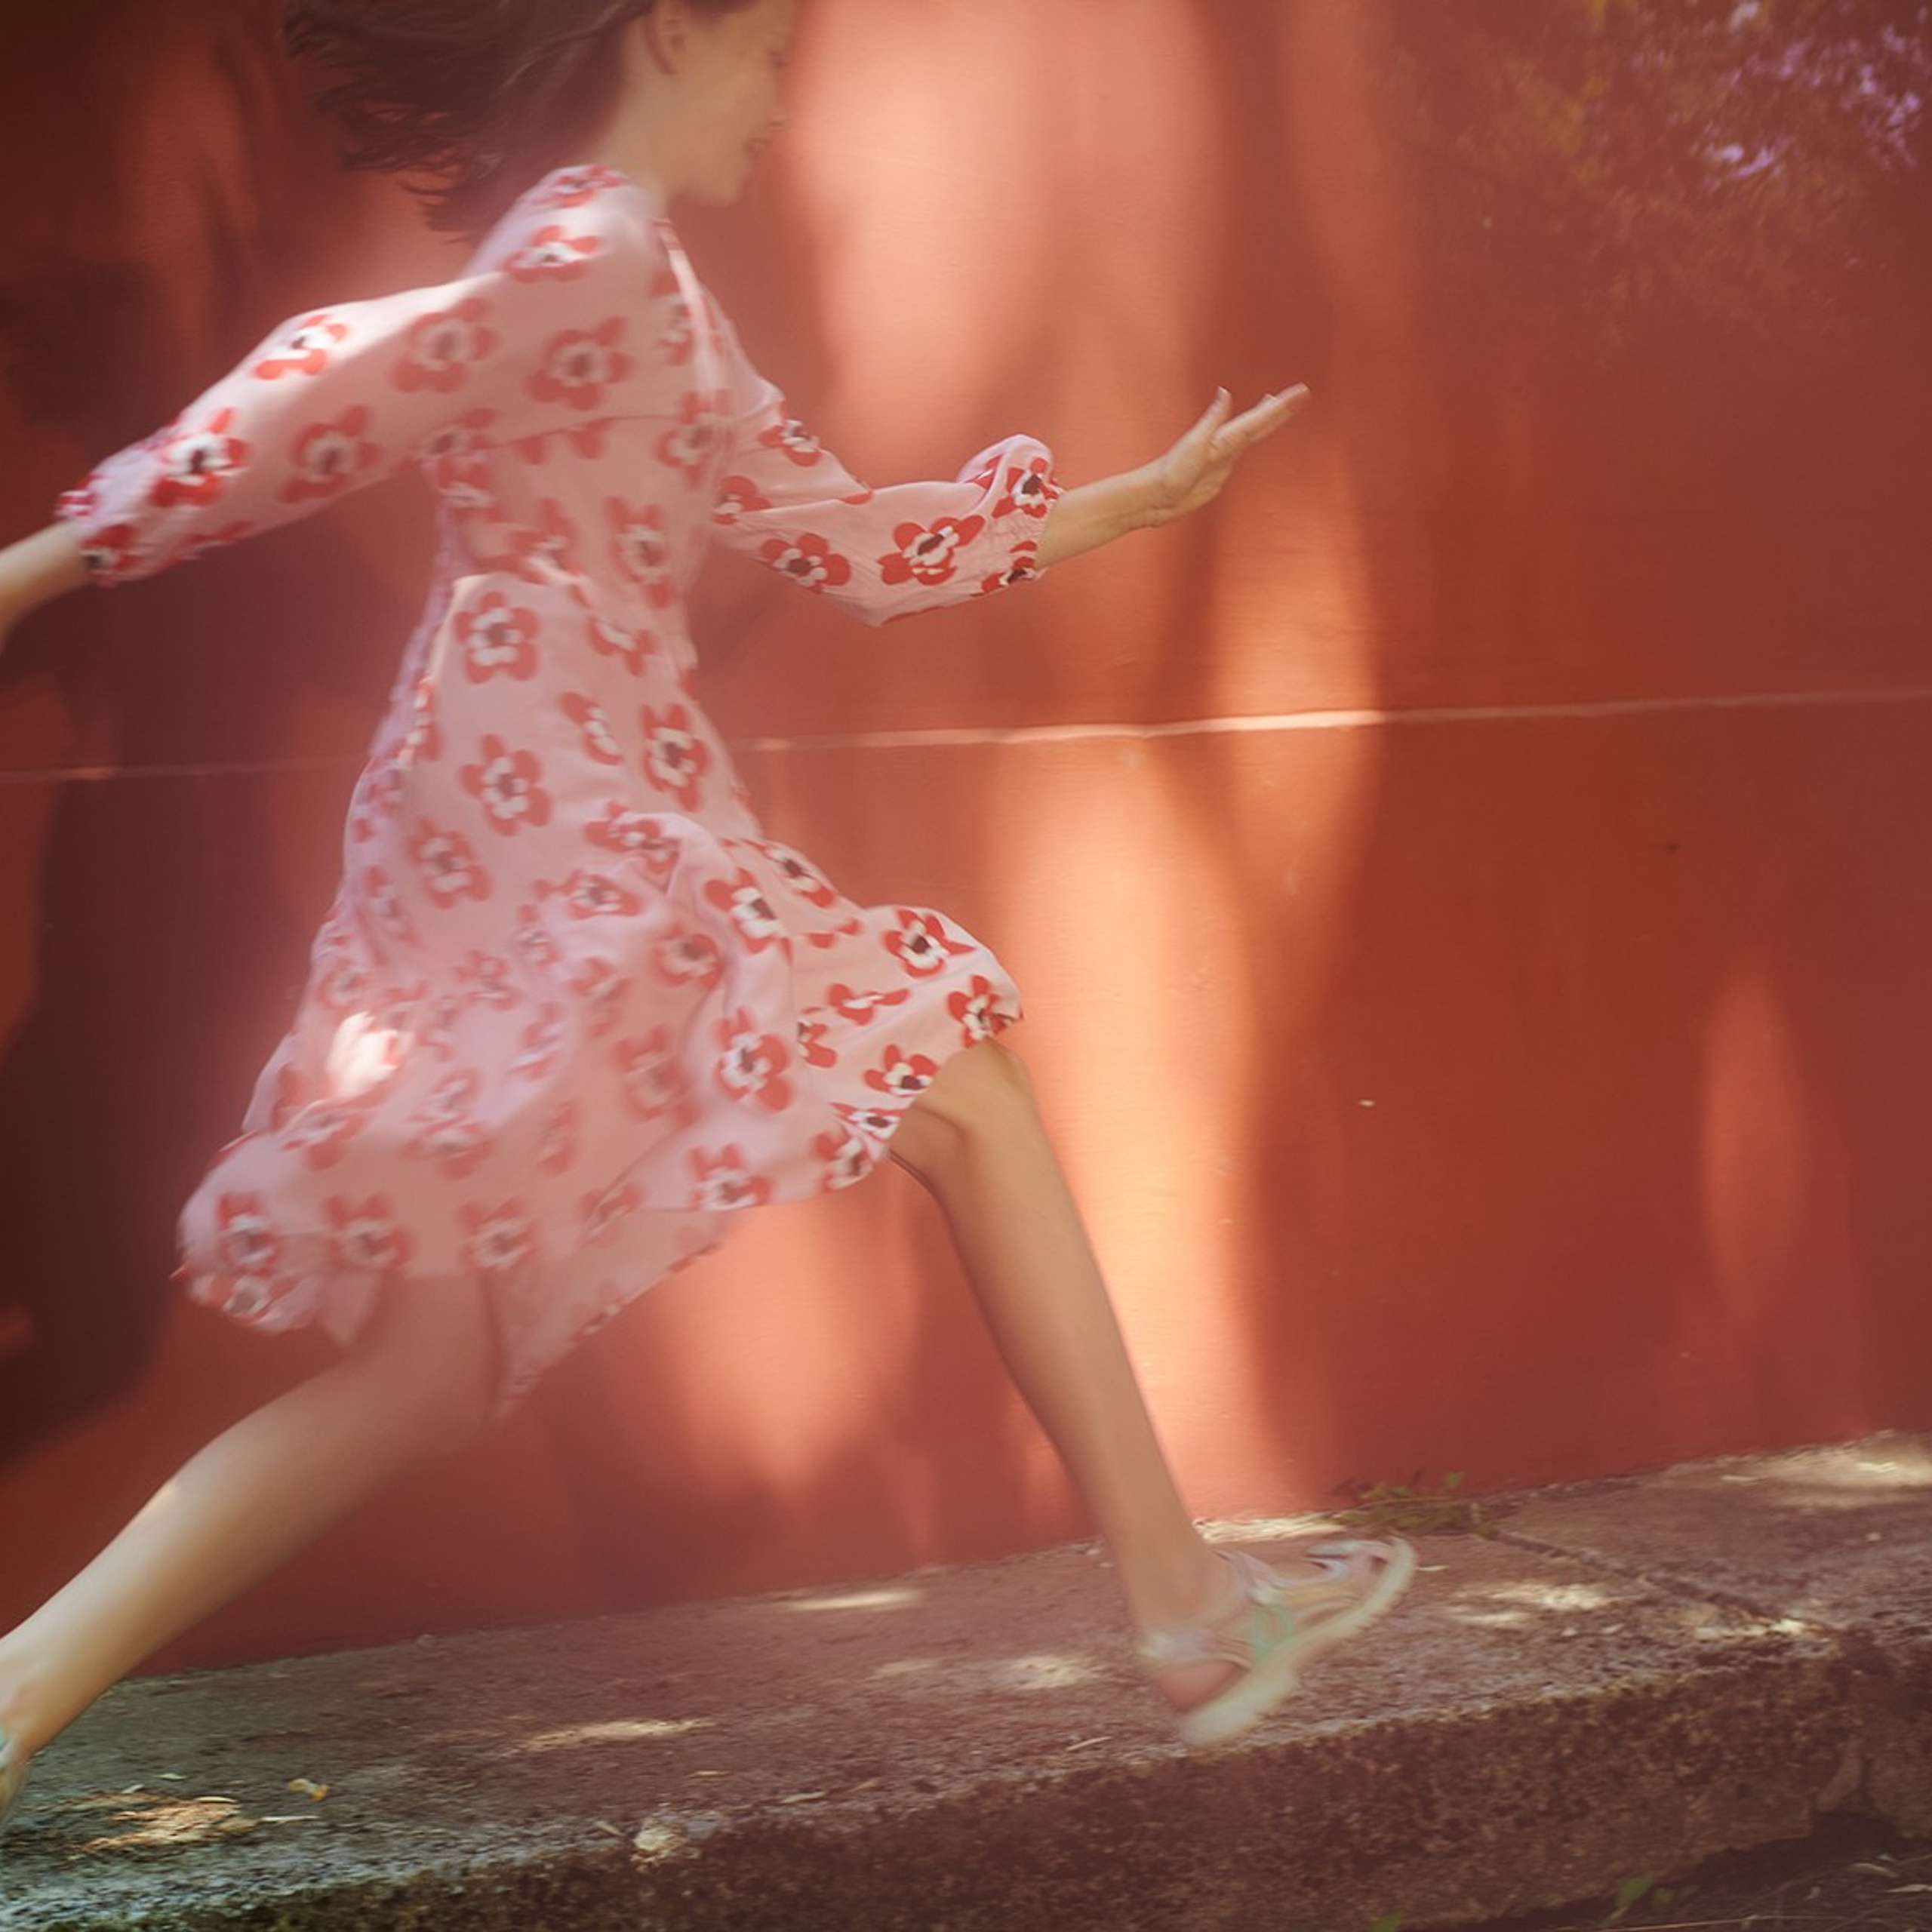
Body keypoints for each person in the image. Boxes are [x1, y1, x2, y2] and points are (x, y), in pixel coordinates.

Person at [0, 0, 1412, 1823]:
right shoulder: (587, 246)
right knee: (962, 1084)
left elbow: (846, 537)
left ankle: (16, 1688)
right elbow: (354, 373)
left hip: (535, 785)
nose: (773, 105)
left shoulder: (646, 285)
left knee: (427, 1375)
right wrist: (54, 551)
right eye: (763, 59)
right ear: (671, 35)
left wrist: (1126, 503)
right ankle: (1190, 1604)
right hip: (557, 790)